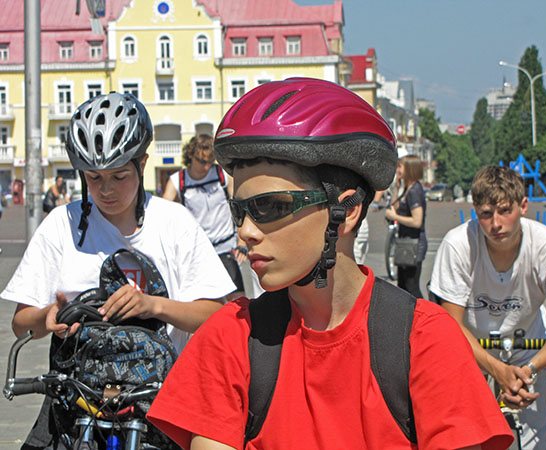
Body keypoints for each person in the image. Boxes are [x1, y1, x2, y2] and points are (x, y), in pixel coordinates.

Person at [147, 78, 513, 450]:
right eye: (239, 211)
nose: (246, 232)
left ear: (347, 211)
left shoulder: (425, 340)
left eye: (269, 206)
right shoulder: (230, 338)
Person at [1, 92, 236, 448]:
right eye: (93, 178)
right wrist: (46, 318)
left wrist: (153, 305)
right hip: (79, 407)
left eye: (119, 176)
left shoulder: (174, 223)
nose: (106, 190)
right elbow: (22, 323)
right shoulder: (61, 225)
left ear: (142, 164)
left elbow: (215, 315)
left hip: (160, 407)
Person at [429, 165, 546, 450]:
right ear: (475, 211)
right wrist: (496, 369)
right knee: (467, 439)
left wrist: (530, 370)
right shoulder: (458, 244)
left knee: (536, 442)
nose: (496, 223)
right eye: (486, 214)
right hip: (471, 345)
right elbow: (450, 324)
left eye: (505, 211)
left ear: (523, 206)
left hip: (530, 346)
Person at [163, 133, 247, 300]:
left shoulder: (222, 175)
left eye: (210, 161)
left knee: (238, 300)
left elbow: (239, 206)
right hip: (199, 250)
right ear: (190, 156)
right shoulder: (178, 180)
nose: (207, 167)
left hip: (226, 247)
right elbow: (163, 213)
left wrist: (242, 241)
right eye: (202, 161)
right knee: (206, 302)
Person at [385, 154, 427, 297]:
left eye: (400, 167)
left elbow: (417, 221)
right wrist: (397, 187)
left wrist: (395, 217)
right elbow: (395, 206)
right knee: (402, 286)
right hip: (405, 242)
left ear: (410, 169)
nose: (397, 170)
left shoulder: (415, 191)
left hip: (414, 244)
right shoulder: (408, 188)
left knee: (411, 286)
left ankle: (422, 310)